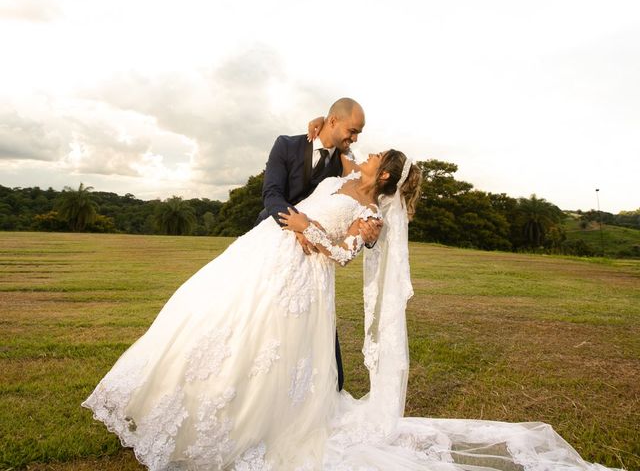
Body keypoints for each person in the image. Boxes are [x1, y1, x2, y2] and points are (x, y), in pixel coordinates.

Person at [83, 149, 618, 471]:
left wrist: (305, 229)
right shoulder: (338, 179)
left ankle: (237, 427)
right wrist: (318, 137)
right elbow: (324, 145)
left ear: (384, 177)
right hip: (260, 256)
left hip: (301, 277)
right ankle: (173, 404)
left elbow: (342, 255)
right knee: (209, 319)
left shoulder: (371, 216)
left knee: (263, 349)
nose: (365, 155)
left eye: (376, 157)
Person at [256, 97, 382, 391]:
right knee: (261, 318)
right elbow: (272, 194)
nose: (355, 138)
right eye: (353, 130)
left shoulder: (345, 163)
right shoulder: (285, 145)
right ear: (334, 121)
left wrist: (370, 237)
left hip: (313, 257)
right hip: (274, 238)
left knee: (315, 326)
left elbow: (366, 202)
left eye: (359, 133)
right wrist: (298, 224)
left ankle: (328, 388)